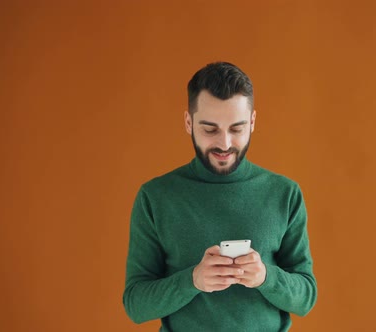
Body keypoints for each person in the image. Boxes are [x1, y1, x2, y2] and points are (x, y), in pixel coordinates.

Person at [123, 62, 317, 331]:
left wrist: (266, 277)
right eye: (210, 129)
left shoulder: (284, 193)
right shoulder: (155, 197)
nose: (225, 144)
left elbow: (306, 298)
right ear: (189, 123)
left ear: (252, 123)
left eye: (236, 129)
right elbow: (136, 304)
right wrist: (192, 280)